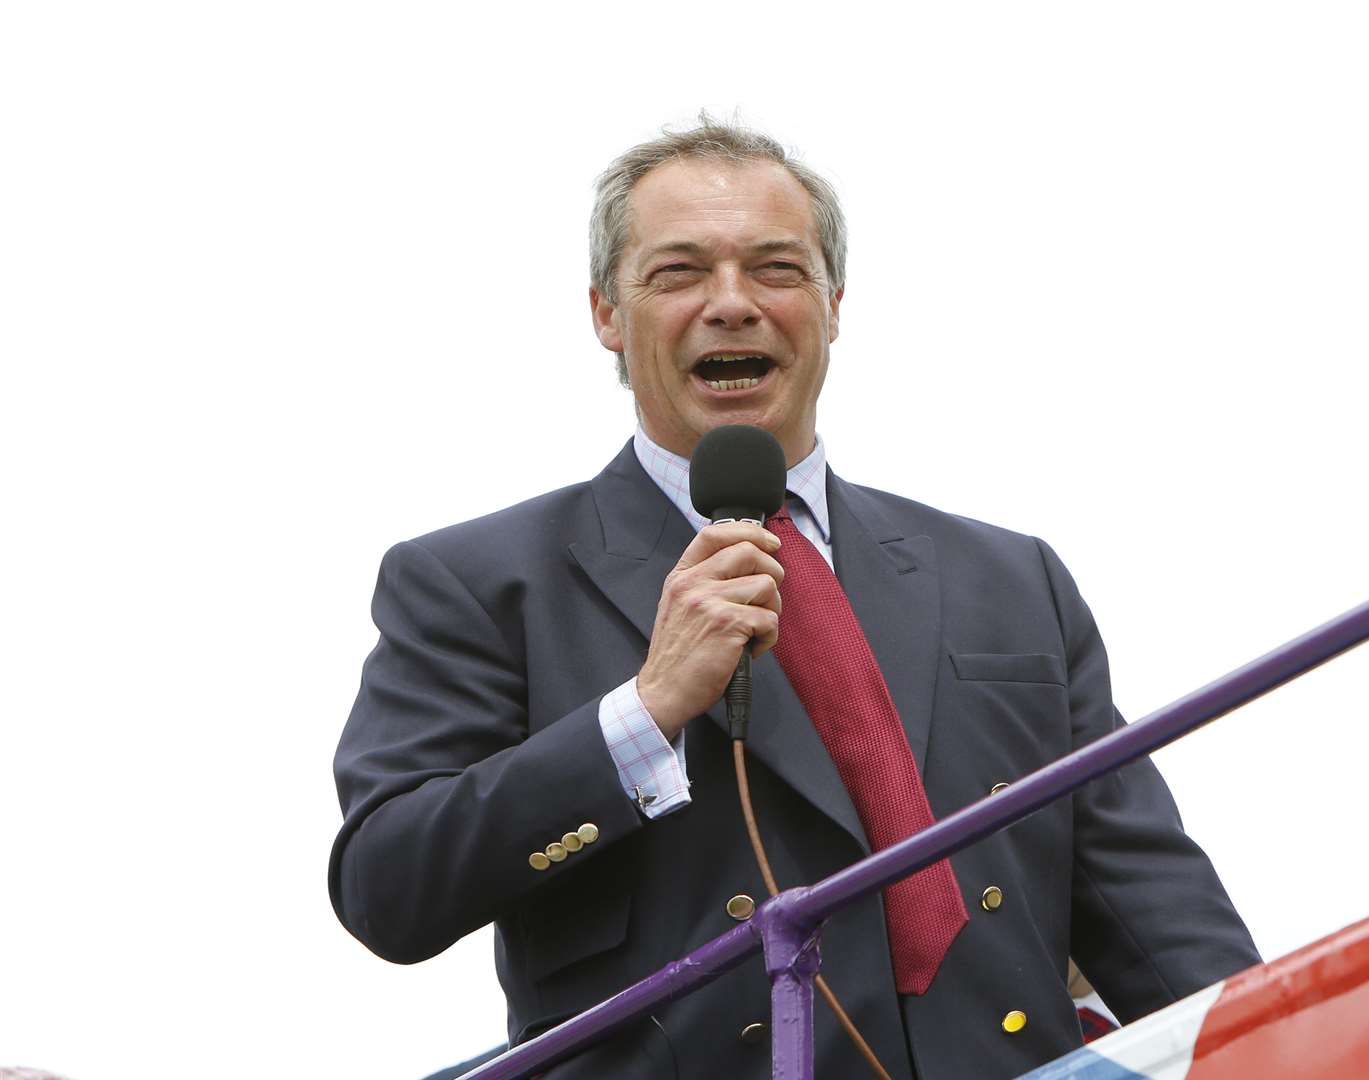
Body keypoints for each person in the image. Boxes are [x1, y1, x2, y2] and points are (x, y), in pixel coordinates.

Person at [330, 117, 1259, 1079]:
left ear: (834, 303)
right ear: (607, 312)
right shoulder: (478, 582)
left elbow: (1151, 903)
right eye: (679, 271)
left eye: (776, 269)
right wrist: (641, 717)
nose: (731, 304)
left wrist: (1284, 1044)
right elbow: (388, 887)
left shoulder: (1010, 579)